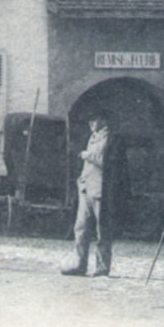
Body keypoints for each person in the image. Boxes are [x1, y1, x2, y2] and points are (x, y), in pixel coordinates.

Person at [61, 107, 117, 277]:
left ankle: (102, 267)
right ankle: (79, 264)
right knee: (81, 228)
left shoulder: (111, 138)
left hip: (101, 190)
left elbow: (106, 161)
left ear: (104, 120)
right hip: (86, 188)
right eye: (90, 120)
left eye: (95, 119)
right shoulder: (93, 137)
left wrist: (87, 155)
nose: (91, 123)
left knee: (102, 230)